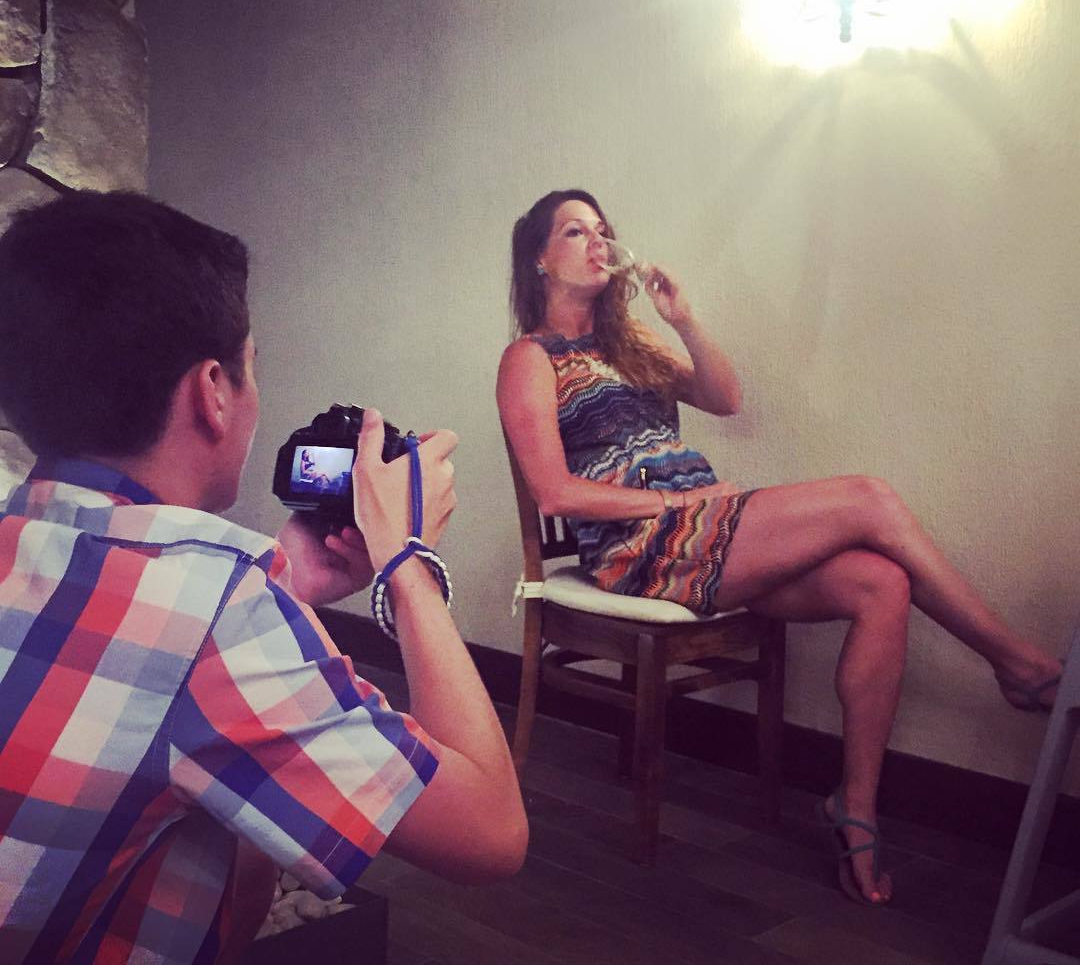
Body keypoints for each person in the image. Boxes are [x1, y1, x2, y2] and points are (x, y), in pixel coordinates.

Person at [496, 187, 1062, 907]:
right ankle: (1019, 666)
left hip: (705, 527)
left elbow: (725, 399)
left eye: (603, 230)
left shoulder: (630, 345)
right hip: (638, 545)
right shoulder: (530, 358)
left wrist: (684, 320)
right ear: (540, 259)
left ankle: (855, 808)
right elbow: (555, 494)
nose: (598, 242)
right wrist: (671, 503)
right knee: (869, 498)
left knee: (881, 584)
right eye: (576, 232)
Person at [0, 191, 527, 964]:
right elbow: (490, 832)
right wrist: (406, 562)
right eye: (252, 366)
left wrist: (291, 590)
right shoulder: (217, 606)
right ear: (213, 391)